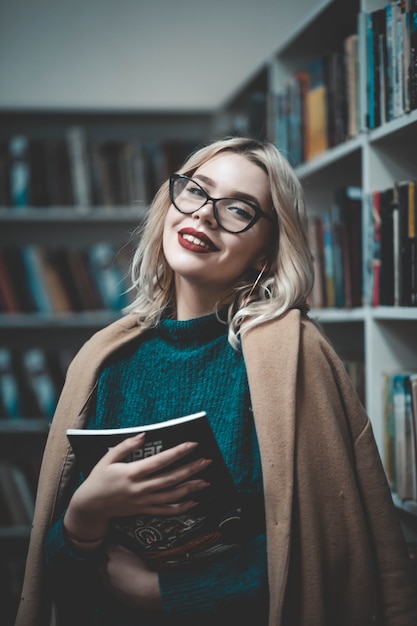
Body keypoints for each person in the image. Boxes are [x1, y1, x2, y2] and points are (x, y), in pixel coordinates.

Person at [15, 136, 417, 626]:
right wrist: (83, 517)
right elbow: (56, 585)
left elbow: (323, 546)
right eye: (196, 191)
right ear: (171, 204)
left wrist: (163, 592)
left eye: (238, 210)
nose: (204, 214)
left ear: (265, 252)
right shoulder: (106, 359)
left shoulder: (292, 355)